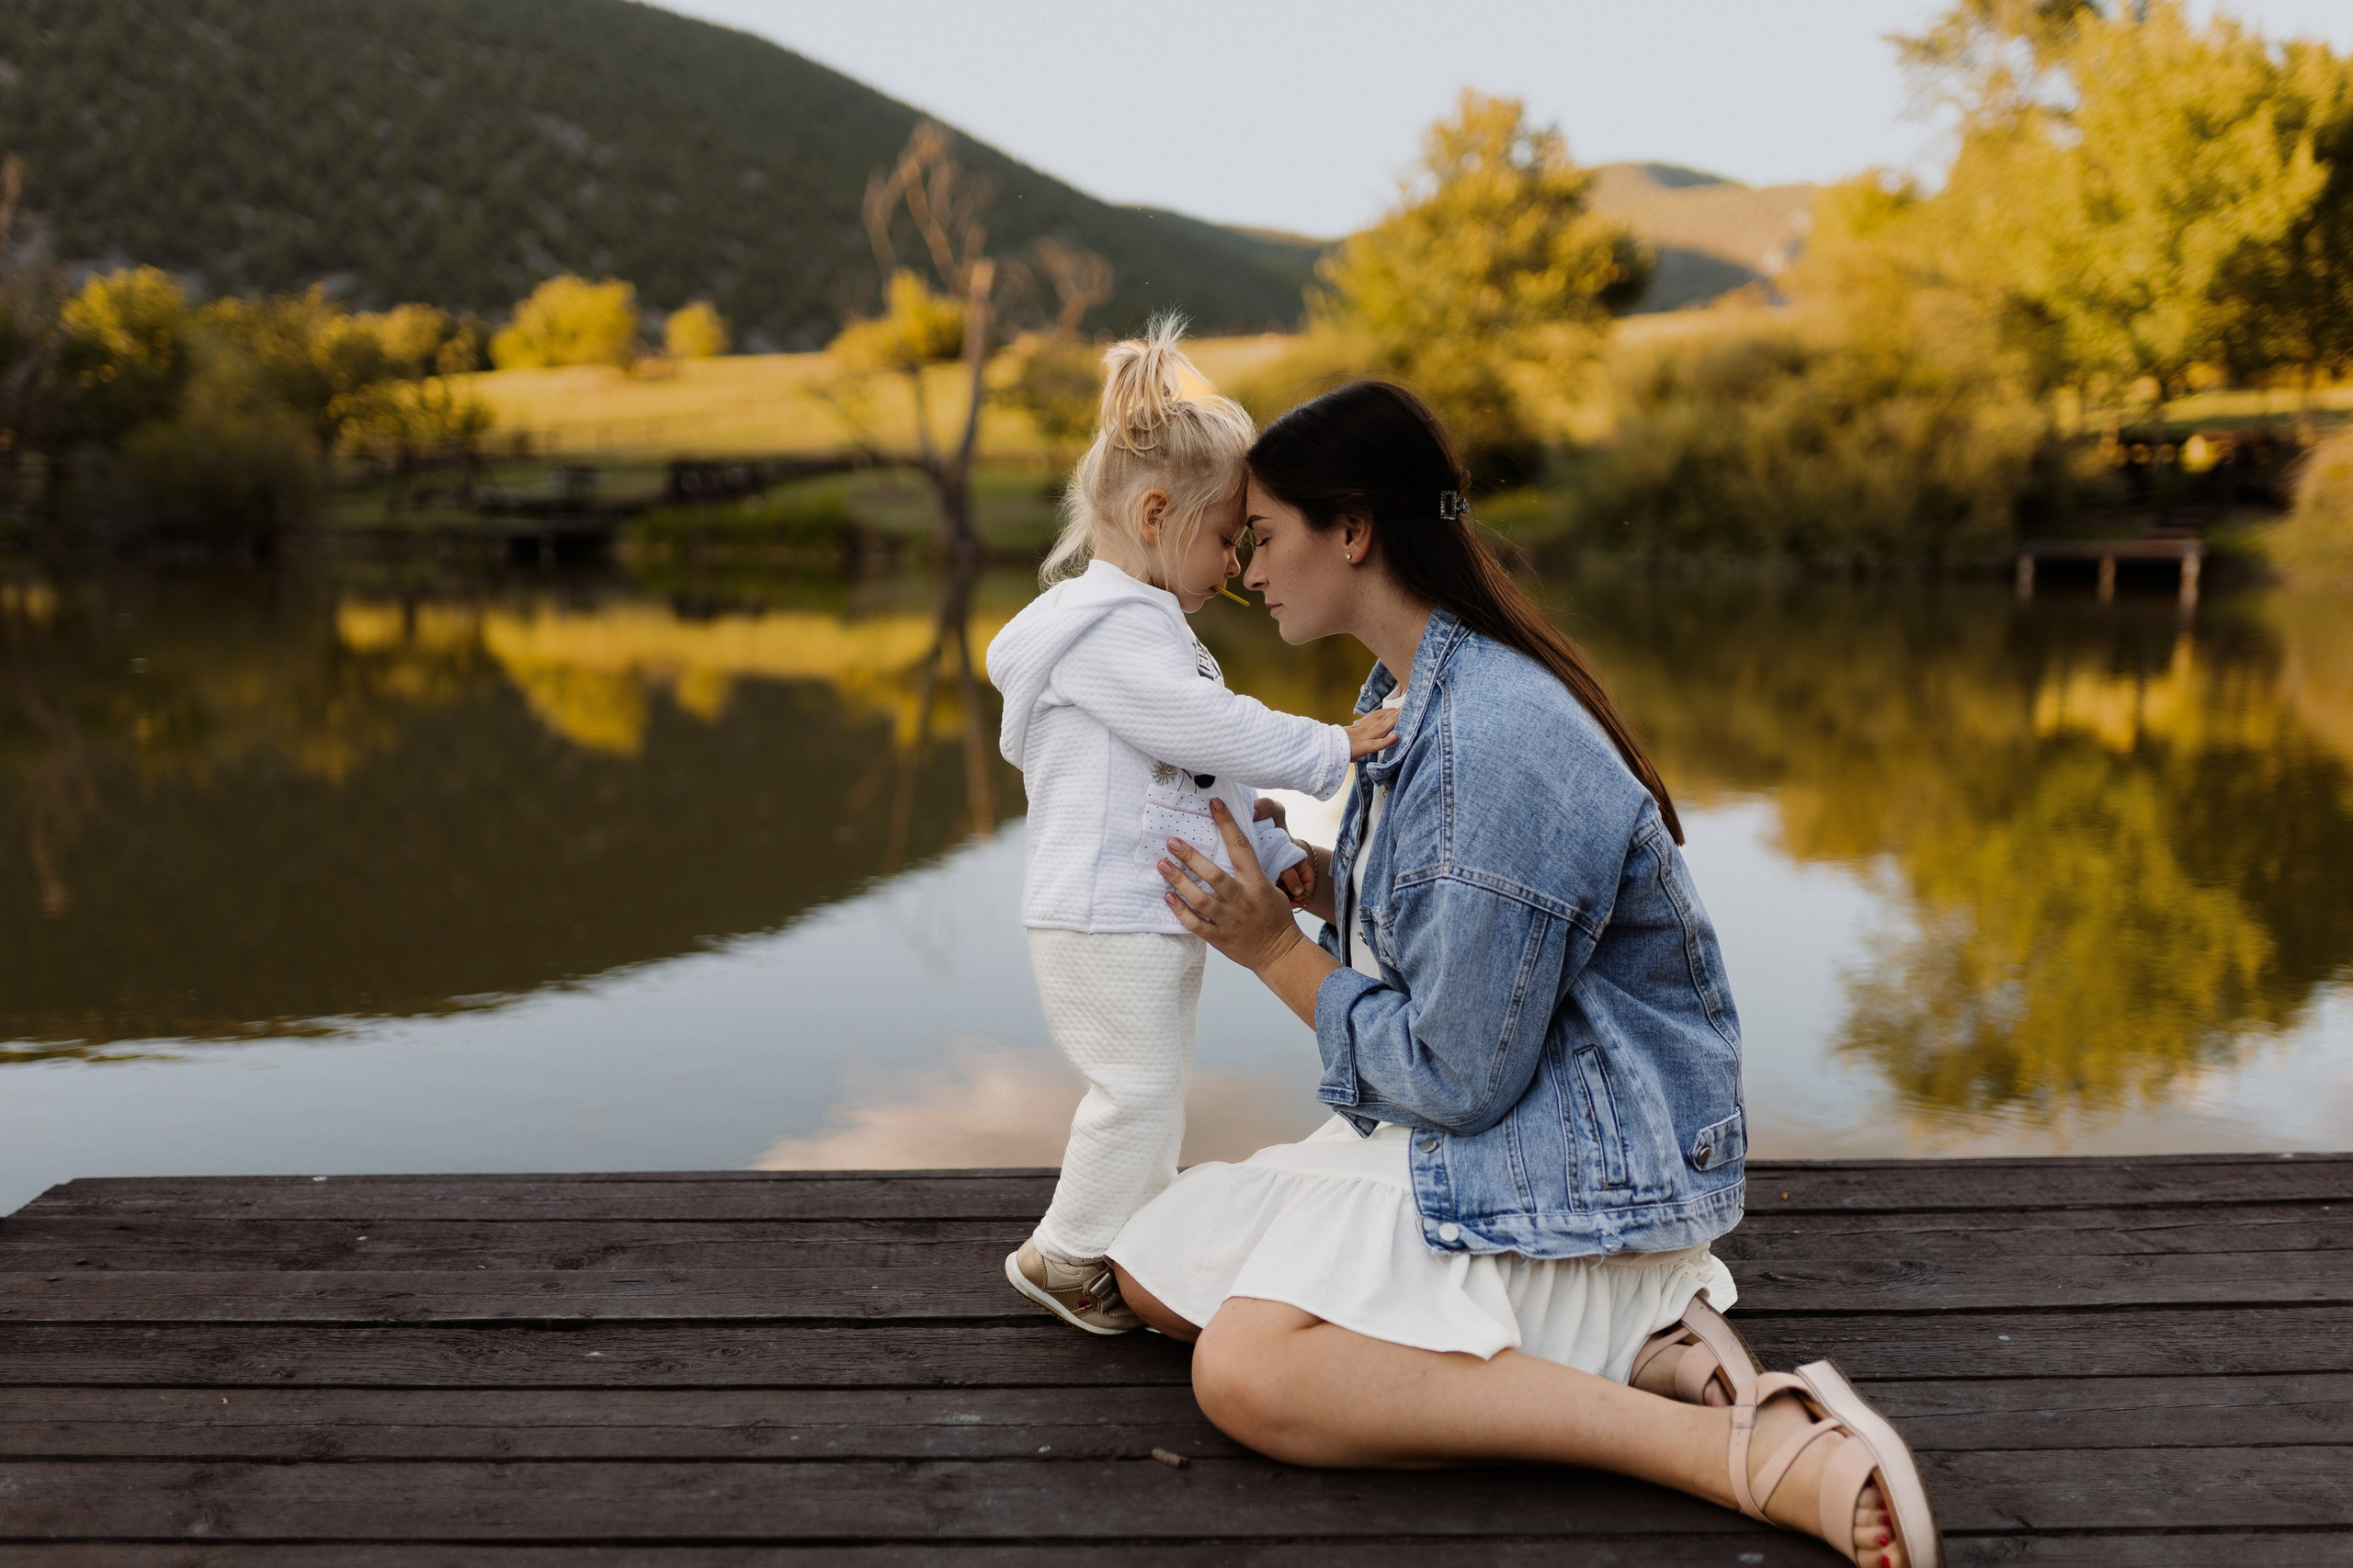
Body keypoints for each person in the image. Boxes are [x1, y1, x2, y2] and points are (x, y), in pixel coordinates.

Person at [1106, 381, 1942, 1568]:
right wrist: (1334, 889)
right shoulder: (1417, 696)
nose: (1246, 568)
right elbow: (1480, 951)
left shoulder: (1491, 739)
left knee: (1246, 1373)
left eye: (1265, 534)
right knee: (1154, 1261)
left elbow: (1454, 1076)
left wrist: (1275, 950)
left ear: (1352, 530)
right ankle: (1641, 1341)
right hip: (1514, 1116)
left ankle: (1750, 1450)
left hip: (1562, 1156)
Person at [984, 320, 1400, 1335]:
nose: (1235, 566)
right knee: (1135, 1091)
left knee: (1151, 1090)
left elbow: (1195, 775)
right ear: (1157, 512)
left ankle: (1122, 1237)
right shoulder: (1104, 632)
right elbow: (1208, 729)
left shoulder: (1145, 632)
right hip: (1100, 913)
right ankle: (1065, 1253)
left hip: (1140, 908)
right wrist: (1331, 747)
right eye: (1225, 538)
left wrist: (1270, 856)